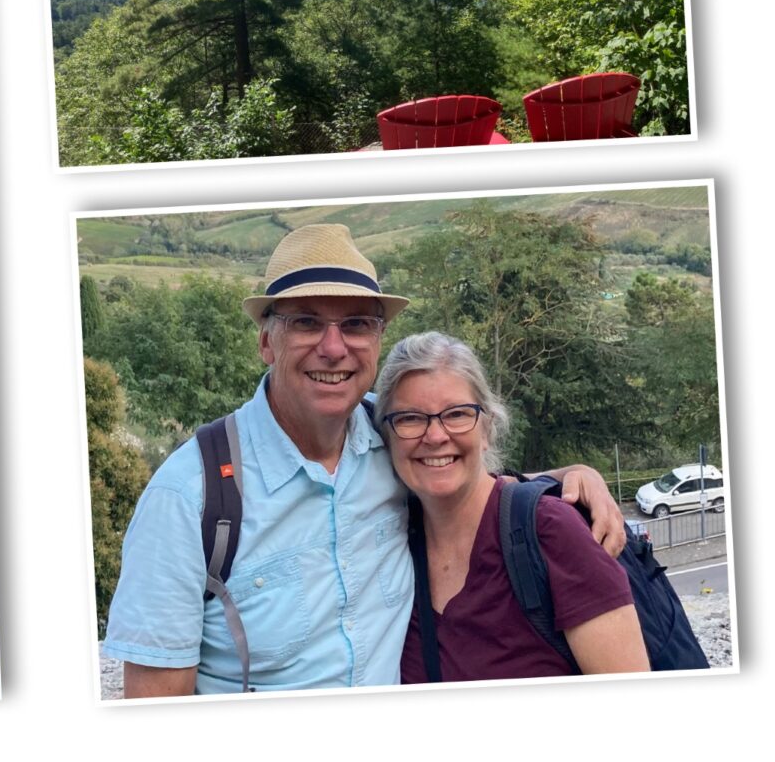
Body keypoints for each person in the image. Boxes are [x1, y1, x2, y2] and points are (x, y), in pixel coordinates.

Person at [101, 224, 625, 696]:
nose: (334, 348)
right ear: (266, 341)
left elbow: (461, 473)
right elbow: (156, 715)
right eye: (306, 323)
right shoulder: (188, 497)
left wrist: (566, 479)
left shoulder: (395, 432)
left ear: (377, 340)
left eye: (355, 324)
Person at [373, 332, 648, 681]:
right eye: (410, 418)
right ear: (386, 436)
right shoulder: (391, 542)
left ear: (486, 428)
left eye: (457, 414)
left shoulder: (551, 532)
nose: (436, 436)